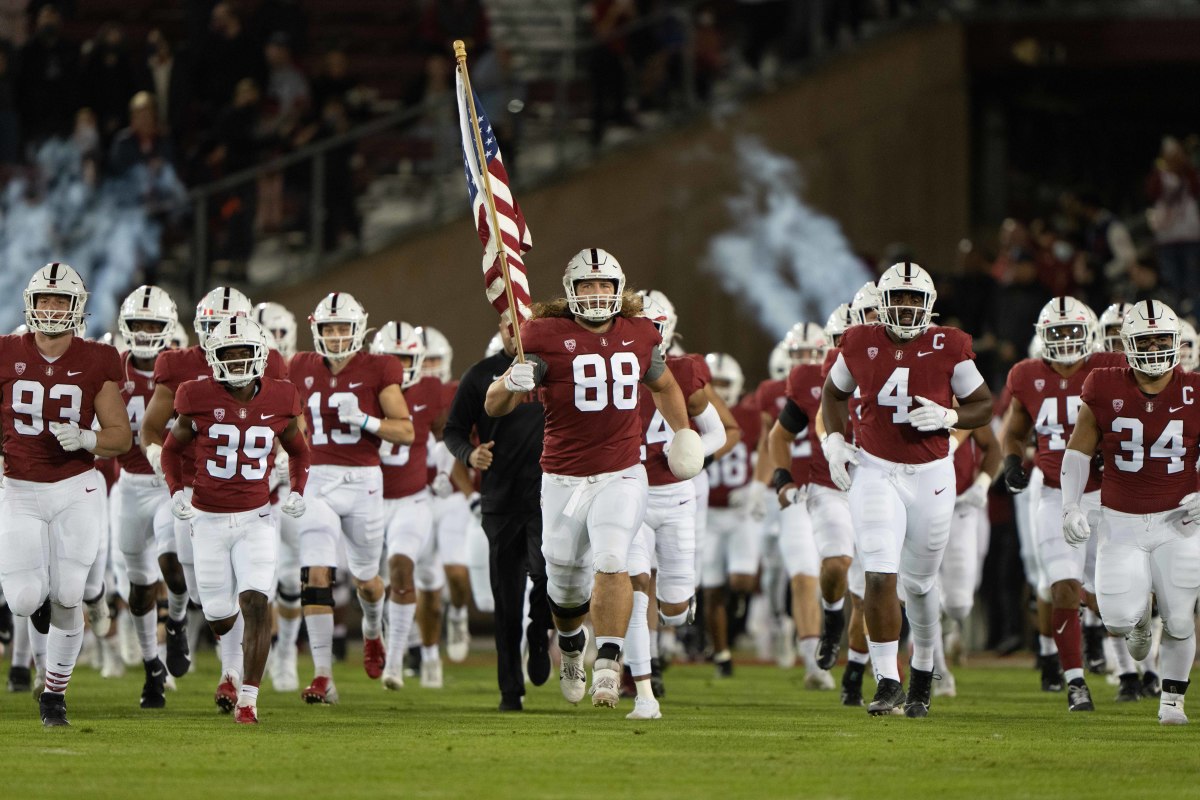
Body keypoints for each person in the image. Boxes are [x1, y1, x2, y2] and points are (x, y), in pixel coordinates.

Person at [484, 248, 701, 709]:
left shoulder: (641, 333)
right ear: (571, 292)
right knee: (563, 580)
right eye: (588, 286)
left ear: (620, 290)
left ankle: (608, 662)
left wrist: (682, 430)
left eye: (605, 286)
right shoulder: (542, 336)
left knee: (611, 557)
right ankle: (569, 647)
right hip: (562, 477)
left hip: (621, 471)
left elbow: (662, 384)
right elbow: (492, 406)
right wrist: (510, 384)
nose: (597, 294)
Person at [822, 262, 993, 717]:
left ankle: (922, 671)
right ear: (882, 302)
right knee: (880, 573)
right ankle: (887, 681)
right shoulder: (858, 340)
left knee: (919, 586)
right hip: (875, 469)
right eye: (897, 297)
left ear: (929, 304)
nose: (905, 306)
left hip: (932, 473)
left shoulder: (949, 343)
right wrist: (834, 440)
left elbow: (984, 405)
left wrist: (949, 417)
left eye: (914, 298)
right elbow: (833, 395)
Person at [141, 285, 288, 709]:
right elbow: (154, 428)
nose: (218, 339)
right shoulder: (180, 367)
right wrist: (156, 455)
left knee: (252, 590)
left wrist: (283, 462)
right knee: (210, 596)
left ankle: (232, 678)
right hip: (194, 489)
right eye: (208, 327)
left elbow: (284, 418)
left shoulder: (269, 361)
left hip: (248, 494)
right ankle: (182, 617)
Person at [160, 315, 310, 725]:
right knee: (220, 615)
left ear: (261, 355)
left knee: (256, 601)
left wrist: (297, 489)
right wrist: (176, 491)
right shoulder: (195, 395)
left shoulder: (282, 397)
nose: (239, 361)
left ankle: (248, 698)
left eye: (246, 352)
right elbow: (171, 450)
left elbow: (299, 451)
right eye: (230, 353)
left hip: (256, 517)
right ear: (214, 356)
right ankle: (230, 664)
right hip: (207, 519)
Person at [0, 262, 132, 726]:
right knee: (21, 598)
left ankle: (54, 694)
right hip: (18, 486)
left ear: (77, 308)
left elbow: (122, 436)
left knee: (70, 592)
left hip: (77, 486)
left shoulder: (97, 358)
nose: (52, 308)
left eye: (61, 300)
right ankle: (36, 610)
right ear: (30, 305)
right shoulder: (4, 351)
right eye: (45, 300)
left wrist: (89, 439)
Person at [1064, 299, 1200, 726]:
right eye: (1148, 339)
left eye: (1164, 338)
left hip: (1179, 519)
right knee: (1119, 620)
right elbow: (1078, 450)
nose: (1158, 346)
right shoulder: (1103, 384)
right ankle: (1142, 615)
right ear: (1128, 344)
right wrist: (1069, 505)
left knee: (1179, 616)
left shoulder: (1196, 390)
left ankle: (1172, 700)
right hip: (1120, 519)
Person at [1000, 297, 1127, 711]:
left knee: (1110, 596)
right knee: (1063, 588)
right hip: (1054, 492)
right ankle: (1075, 681)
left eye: (1073, 331)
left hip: (1105, 495)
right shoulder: (1026, 375)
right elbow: (1015, 429)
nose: (1067, 340)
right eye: (1057, 333)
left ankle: (1124, 644)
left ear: (1088, 333)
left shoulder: (1110, 367)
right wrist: (1012, 460)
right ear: (1043, 337)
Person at [287, 292, 413, 704]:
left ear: (359, 330)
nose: (337, 336)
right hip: (318, 479)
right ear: (316, 330)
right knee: (316, 570)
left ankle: (372, 630)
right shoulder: (300, 366)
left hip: (363, 482)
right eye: (329, 329)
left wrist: (364, 419)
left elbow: (405, 430)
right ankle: (323, 675)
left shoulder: (379, 367)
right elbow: (293, 420)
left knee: (367, 581)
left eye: (343, 328)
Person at [444, 313, 551, 711]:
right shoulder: (480, 374)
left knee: (549, 576)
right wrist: (470, 453)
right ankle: (510, 688)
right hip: (501, 498)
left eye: (523, 324)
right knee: (506, 595)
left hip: (549, 495)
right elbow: (453, 431)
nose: (516, 331)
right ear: (501, 330)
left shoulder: (554, 368)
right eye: (510, 324)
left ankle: (540, 633)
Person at [368, 321, 448, 689]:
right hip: (364, 500)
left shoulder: (432, 390)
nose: (400, 367)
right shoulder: (360, 389)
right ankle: (372, 632)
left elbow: (454, 431)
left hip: (411, 500)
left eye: (406, 358)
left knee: (401, 568)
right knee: (363, 583)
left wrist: (447, 466)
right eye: (393, 359)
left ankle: (396, 660)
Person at [111, 285, 179, 709]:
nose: (146, 332)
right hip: (130, 487)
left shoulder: (184, 369)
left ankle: (177, 628)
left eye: (154, 324)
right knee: (139, 587)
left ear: (169, 328)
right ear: (125, 327)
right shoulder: (108, 369)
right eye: (139, 324)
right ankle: (153, 666)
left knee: (173, 565)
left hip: (171, 486)